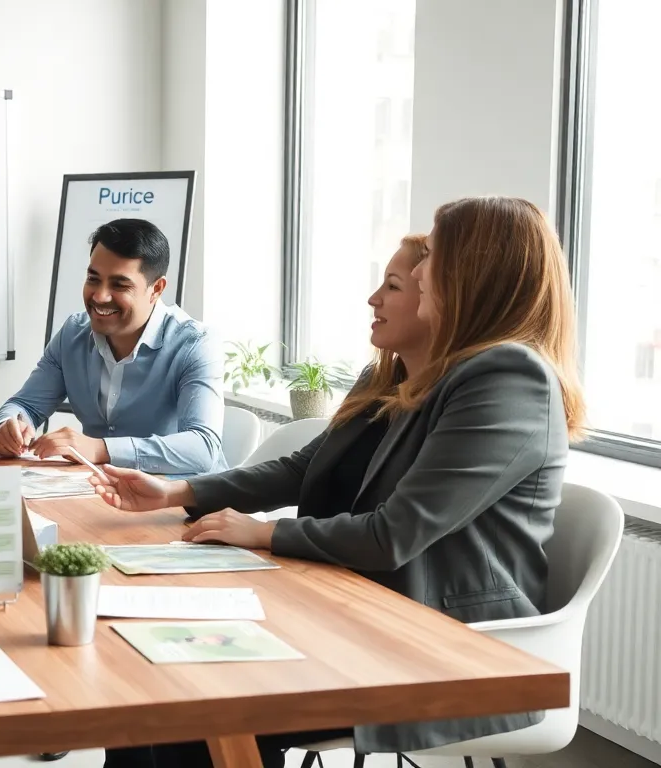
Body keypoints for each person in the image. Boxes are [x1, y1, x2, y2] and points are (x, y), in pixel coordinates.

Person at [93, 197, 586, 768]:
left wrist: (264, 534)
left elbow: (393, 535)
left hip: (446, 641)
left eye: (436, 256)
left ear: (477, 272)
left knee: (196, 705)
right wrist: (182, 491)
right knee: (160, 679)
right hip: (361, 606)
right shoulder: (405, 374)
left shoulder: (508, 378)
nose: (424, 270)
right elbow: (307, 468)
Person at [0, 218, 228, 475]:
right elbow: (25, 405)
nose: (100, 296)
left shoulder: (196, 344)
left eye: (119, 285)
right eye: (93, 279)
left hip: (182, 502)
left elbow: (203, 448)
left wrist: (101, 449)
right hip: (100, 493)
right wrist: (8, 426)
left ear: (156, 289)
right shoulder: (73, 333)